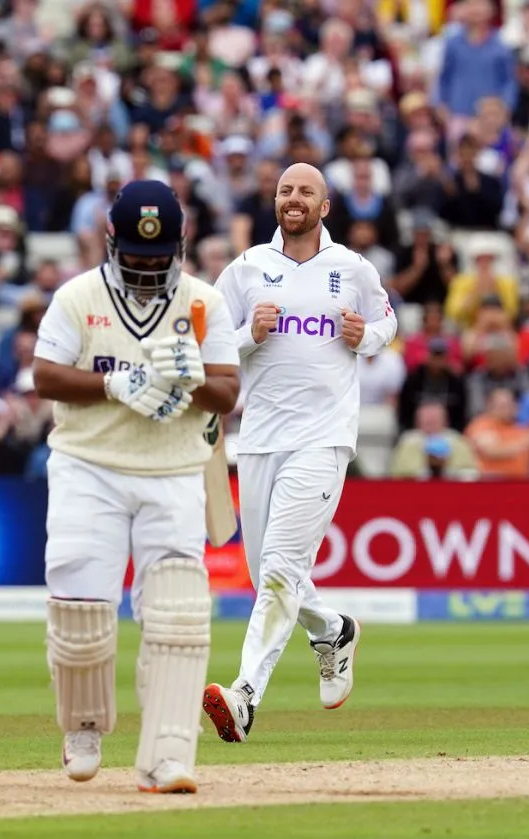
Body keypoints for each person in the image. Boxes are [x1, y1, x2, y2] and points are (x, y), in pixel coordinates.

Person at [32, 180, 241, 793]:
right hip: (87, 467)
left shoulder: (204, 302)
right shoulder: (78, 297)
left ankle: (168, 755)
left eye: (159, 260)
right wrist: (114, 384)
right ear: (109, 244)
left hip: (174, 471)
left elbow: (227, 393)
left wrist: (192, 378)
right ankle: (84, 725)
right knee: (80, 609)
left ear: (180, 245)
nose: (148, 272)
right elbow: (44, 375)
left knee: (178, 614)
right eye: (135, 260)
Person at [205, 163, 398, 743]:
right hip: (261, 438)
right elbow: (207, 347)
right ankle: (333, 629)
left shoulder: (352, 268)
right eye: (286, 190)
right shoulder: (245, 271)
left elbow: (388, 322)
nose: (294, 199)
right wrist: (247, 336)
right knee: (268, 572)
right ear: (275, 201)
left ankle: (244, 696)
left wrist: (366, 336)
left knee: (282, 570)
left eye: (305, 192)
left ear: (325, 205)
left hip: (323, 437)